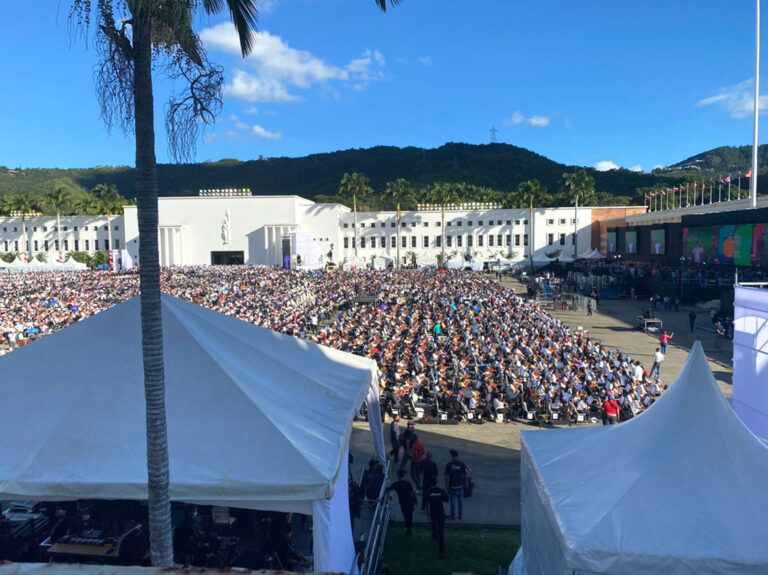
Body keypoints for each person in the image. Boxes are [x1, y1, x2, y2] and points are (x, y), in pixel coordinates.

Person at [388, 469, 417, 536]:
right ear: (403, 475)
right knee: (410, 515)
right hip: (410, 501)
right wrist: (415, 500)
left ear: (398, 475)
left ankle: (408, 528)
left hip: (403, 502)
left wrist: (388, 496)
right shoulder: (407, 483)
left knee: (405, 515)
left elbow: (388, 488)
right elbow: (412, 493)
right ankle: (409, 529)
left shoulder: (396, 484)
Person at [426, 476, 449, 559]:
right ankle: (441, 550)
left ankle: (435, 534)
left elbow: (428, 505)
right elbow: (446, 500)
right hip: (441, 513)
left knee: (433, 525)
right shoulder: (441, 491)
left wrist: (428, 515)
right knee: (441, 531)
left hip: (433, 514)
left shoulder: (428, 492)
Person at [444, 449, 467, 520]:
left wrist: (447, 485)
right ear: (457, 455)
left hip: (452, 486)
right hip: (460, 485)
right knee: (460, 501)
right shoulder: (462, 464)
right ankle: (461, 515)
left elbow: (446, 477)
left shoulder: (449, 465)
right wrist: (465, 483)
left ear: (451, 456)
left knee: (453, 501)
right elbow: (465, 475)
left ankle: (453, 515)